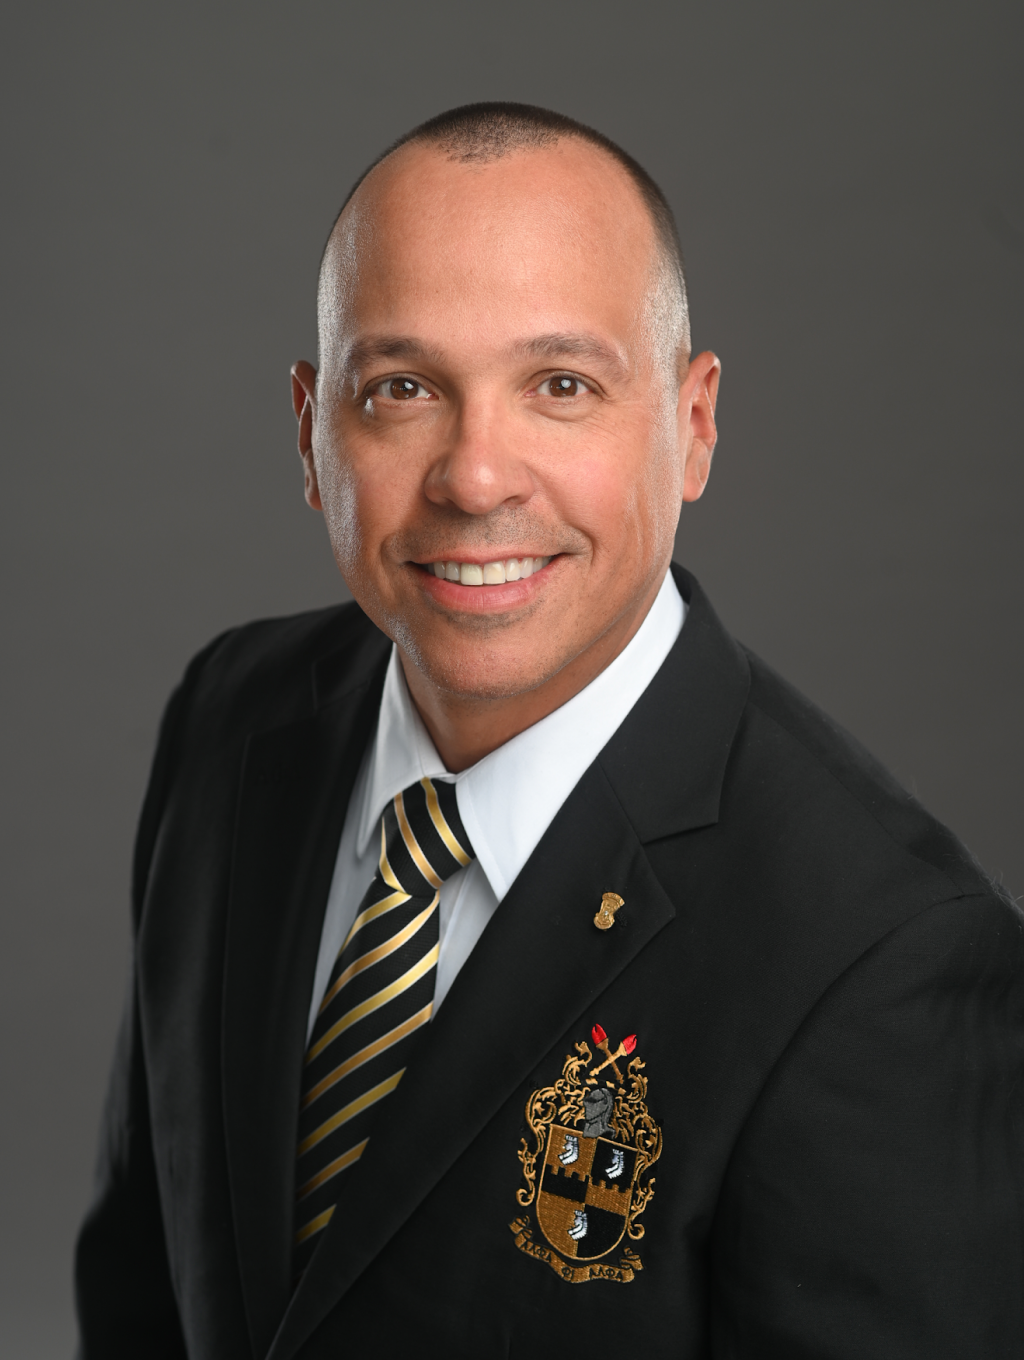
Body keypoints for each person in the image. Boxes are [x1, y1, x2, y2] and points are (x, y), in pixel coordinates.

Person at [74, 103, 1024, 1360]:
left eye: (560, 385)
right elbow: (140, 1290)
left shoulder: (881, 964)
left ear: (693, 426)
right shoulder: (230, 723)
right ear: (311, 430)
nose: (475, 476)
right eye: (401, 388)